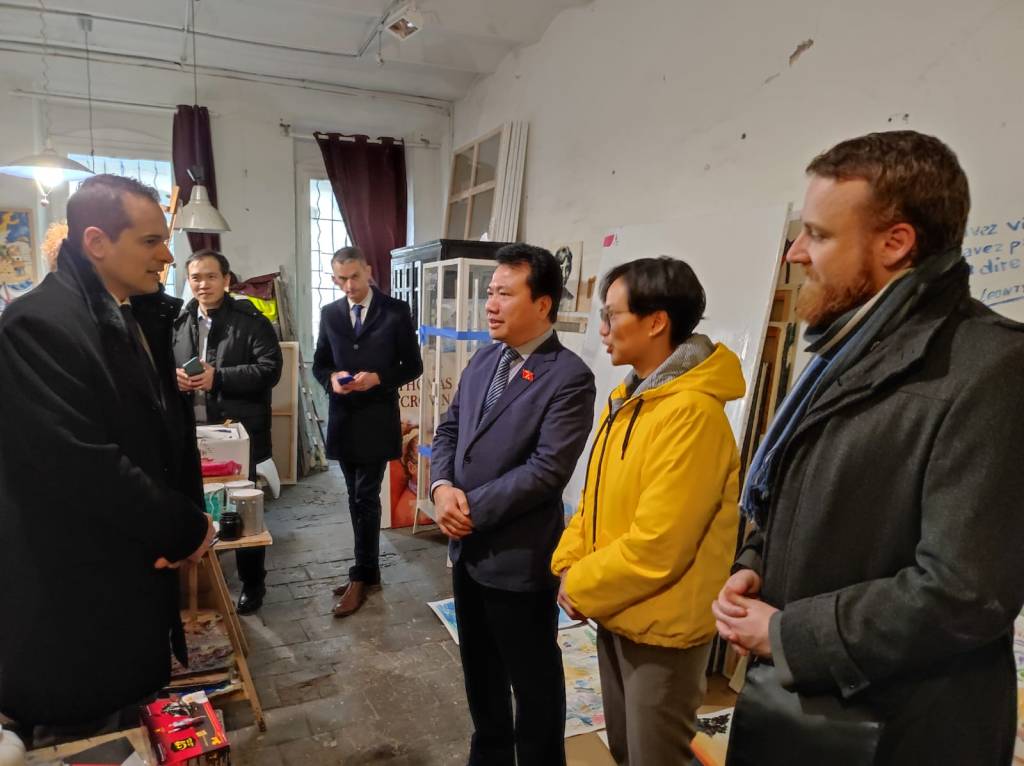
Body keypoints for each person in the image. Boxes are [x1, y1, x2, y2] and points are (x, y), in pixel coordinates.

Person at [712, 131, 1024, 766]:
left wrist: (788, 633)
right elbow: (801, 494)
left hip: (901, 730)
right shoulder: (847, 350)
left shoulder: (992, 368)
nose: (796, 252)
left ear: (895, 242)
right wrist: (755, 561)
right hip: (813, 706)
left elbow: (966, 591)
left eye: (818, 234)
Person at [0, 174, 214, 741]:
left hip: (126, 577)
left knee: (128, 726)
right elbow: (85, 465)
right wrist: (185, 527)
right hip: (76, 603)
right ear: (96, 242)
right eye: (151, 241)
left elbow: (160, 435)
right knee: (90, 738)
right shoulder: (37, 326)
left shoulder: (128, 313)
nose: (167, 256)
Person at [552, 257, 745, 765]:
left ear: (656, 322)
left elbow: (661, 545)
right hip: (619, 609)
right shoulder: (631, 399)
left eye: (612, 315)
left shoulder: (691, 414)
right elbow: (592, 501)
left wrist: (580, 583)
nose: (603, 329)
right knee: (625, 749)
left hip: (662, 630)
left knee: (654, 756)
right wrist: (568, 563)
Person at [430, 243, 597, 766]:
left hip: (518, 559)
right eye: (490, 292)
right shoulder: (486, 359)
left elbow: (547, 470)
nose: (490, 304)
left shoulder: (568, 376)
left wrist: (469, 509)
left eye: (504, 293)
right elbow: (451, 429)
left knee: (533, 681)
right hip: (468, 552)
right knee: (480, 673)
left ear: (542, 304)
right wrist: (441, 488)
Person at [312, 246, 422, 617]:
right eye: (341, 279)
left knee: (365, 495)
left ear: (369, 271)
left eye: (355, 277)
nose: (349, 286)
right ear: (334, 278)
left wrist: (378, 378)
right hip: (344, 418)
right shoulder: (330, 313)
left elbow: (413, 365)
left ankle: (361, 575)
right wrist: (332, 379)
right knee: (354, 496)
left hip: (377, 418)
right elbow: (320, 363)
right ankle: (369, 571)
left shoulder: (395, 311)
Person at [172, 249, 283, 614]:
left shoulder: (250, 321)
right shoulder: (179, 321)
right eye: (196, 277)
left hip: (236, 435)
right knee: (197, 508)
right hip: (192, 432)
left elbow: (270, 370)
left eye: (210, 276)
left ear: (226, 280)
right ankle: (207, 579)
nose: (203, 284)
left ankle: (253, 583)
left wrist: (218, 377)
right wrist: (174, 379)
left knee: (243, 509)